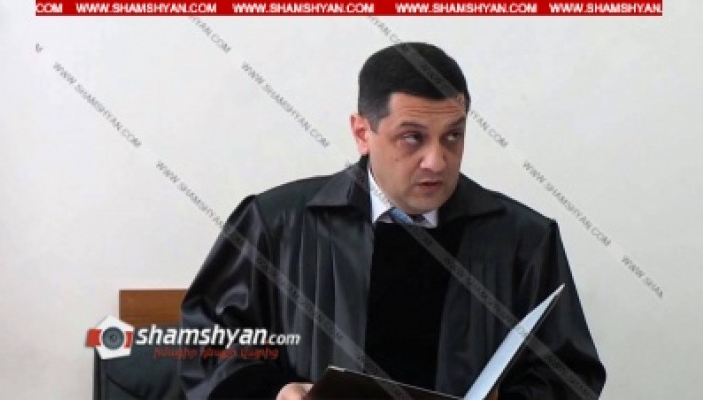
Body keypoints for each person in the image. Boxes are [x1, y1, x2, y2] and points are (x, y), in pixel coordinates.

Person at [180, 42, 606, 399]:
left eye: (453, 136)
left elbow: (568, 375)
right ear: (362, 133)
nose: (436, 160)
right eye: (412, 137)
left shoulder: (523, 239)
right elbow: (207, 347)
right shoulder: (274, 224)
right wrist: (273, 392)